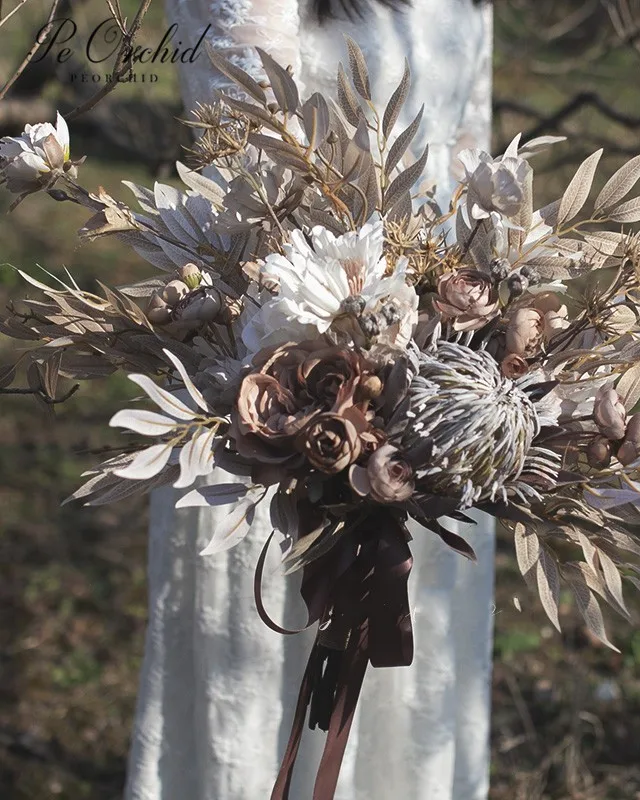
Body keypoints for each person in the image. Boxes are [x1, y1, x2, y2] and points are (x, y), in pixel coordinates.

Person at [124, 2, 494, 798]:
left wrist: (486, 348)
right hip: (276, 394)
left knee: (417, 700)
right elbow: (255, 172)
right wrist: (354, 385)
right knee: (258, 691)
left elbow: (476, 182)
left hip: (435, 396)